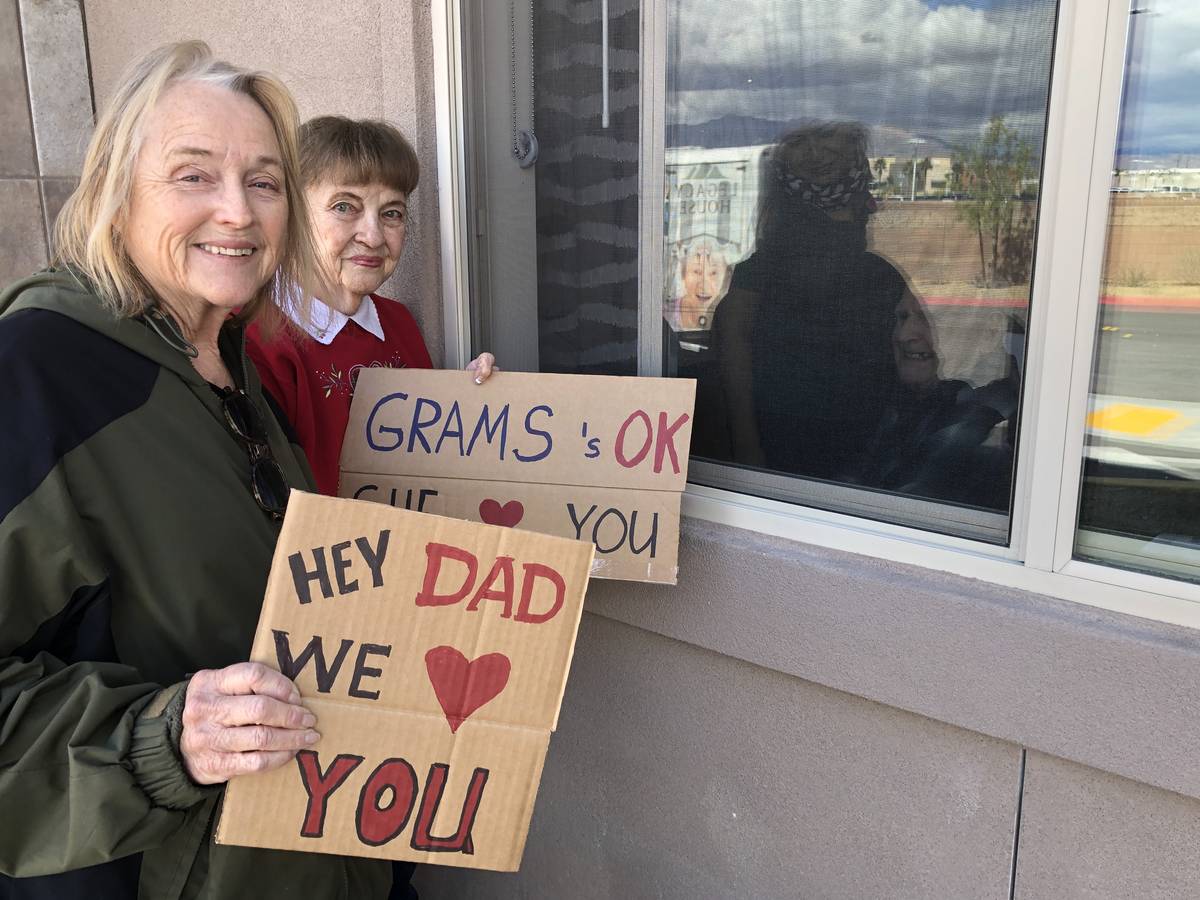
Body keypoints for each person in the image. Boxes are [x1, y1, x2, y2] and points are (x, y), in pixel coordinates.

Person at [0, 42, 394, 897]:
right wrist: (164, 739)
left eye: (263, 182)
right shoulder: (34, 372)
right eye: (193, 176)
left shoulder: (239, 364)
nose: (239, 213)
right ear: (116, 190)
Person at [247, 116, 494, 497]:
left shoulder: (398, 323)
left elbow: (418, 456)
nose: (374, 235)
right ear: (292, 215)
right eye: (345, 206)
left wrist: (468, 404)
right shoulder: (255, 339)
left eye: (392, 213)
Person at [712, 122, 905, 475]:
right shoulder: (759, 278)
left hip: (860, 461)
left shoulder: (880, 277)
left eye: (829, 140)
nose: (816, 153)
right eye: (802, 142)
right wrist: (750, 458)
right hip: (793, 464)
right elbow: (735, 377)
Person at [845, 291, 1018, 510]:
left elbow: (897, 509)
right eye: (902, 317)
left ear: (990, 333)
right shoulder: (918, 399)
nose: (903, 335)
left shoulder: (986, 430)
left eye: (928, 317)